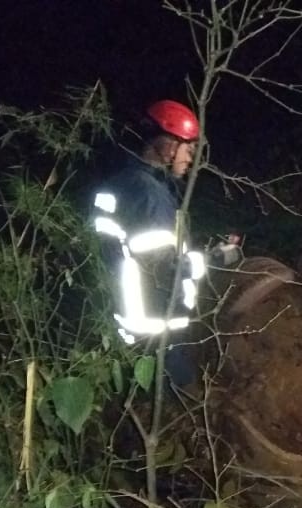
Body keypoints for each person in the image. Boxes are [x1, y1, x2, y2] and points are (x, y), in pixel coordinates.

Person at [91, 99, 207, 387]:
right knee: (179, 397)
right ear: (169, 145)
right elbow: (160, 268)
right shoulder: (150, 194)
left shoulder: (122, 181)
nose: (190, 159)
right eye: (188, 149)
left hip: (122, 319)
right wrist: (208, 261)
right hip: (155, 324)